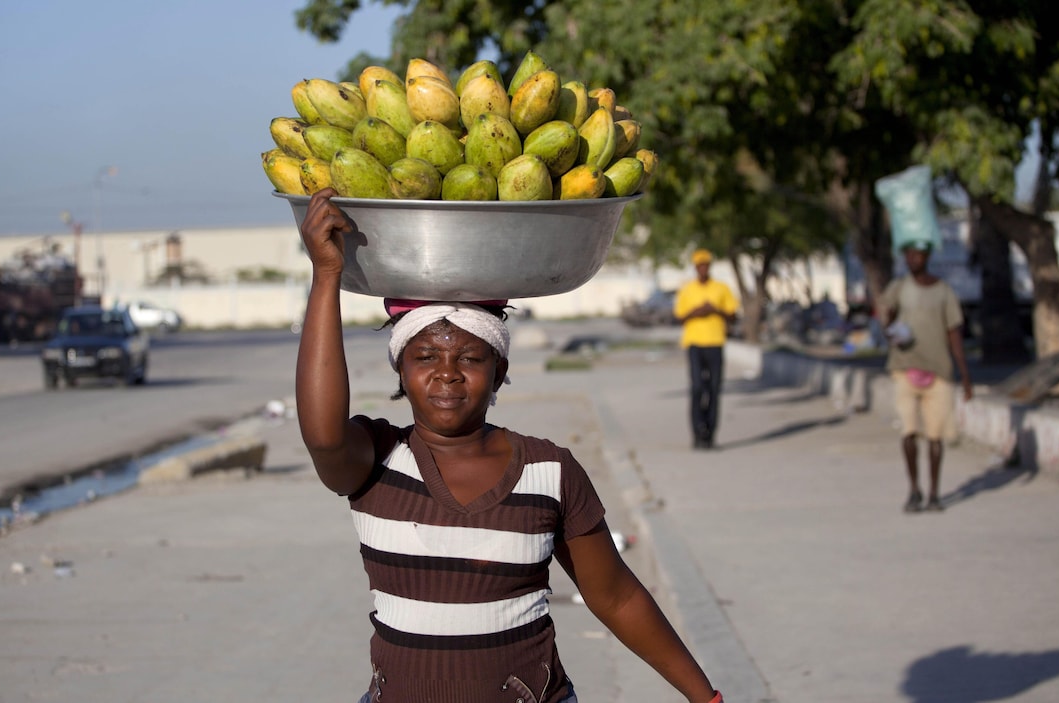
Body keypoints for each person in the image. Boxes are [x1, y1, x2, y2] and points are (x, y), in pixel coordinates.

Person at [296, 188, 721, 703]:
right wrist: (326, 276)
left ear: (500, 371)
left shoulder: (549, 470)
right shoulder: (376, 459)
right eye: (425, 356)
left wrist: (707, 697)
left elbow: (616, 596)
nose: (447, 374)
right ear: (400, 371)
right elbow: (321, 435)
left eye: (471, 359)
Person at [879, 239, 973, 513]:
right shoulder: (899, 288)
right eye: (909, 255)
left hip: (939, 372)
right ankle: (913, 490)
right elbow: (887, 319)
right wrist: (892, 329)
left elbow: (954, 334)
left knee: (935, 436)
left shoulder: (944, 292)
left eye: (918, 255)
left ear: (927, 256)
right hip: (905, 369)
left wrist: (965, 376)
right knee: (909, 431)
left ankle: (934, 493)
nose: (914, 260)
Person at [674, 249, 739, 450]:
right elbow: (680, 317)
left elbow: (733, 316)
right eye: (699, 265)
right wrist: (696, 312)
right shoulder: (687, 289)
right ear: (695, 268)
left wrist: (714, 310)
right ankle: (696, 433)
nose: (703, 268)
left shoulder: (721, 288)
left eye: (706, 265)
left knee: (713, 389)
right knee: (696, 388)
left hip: (715, 342)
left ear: (709, 266)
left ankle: (710, 435)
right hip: (694, 343)